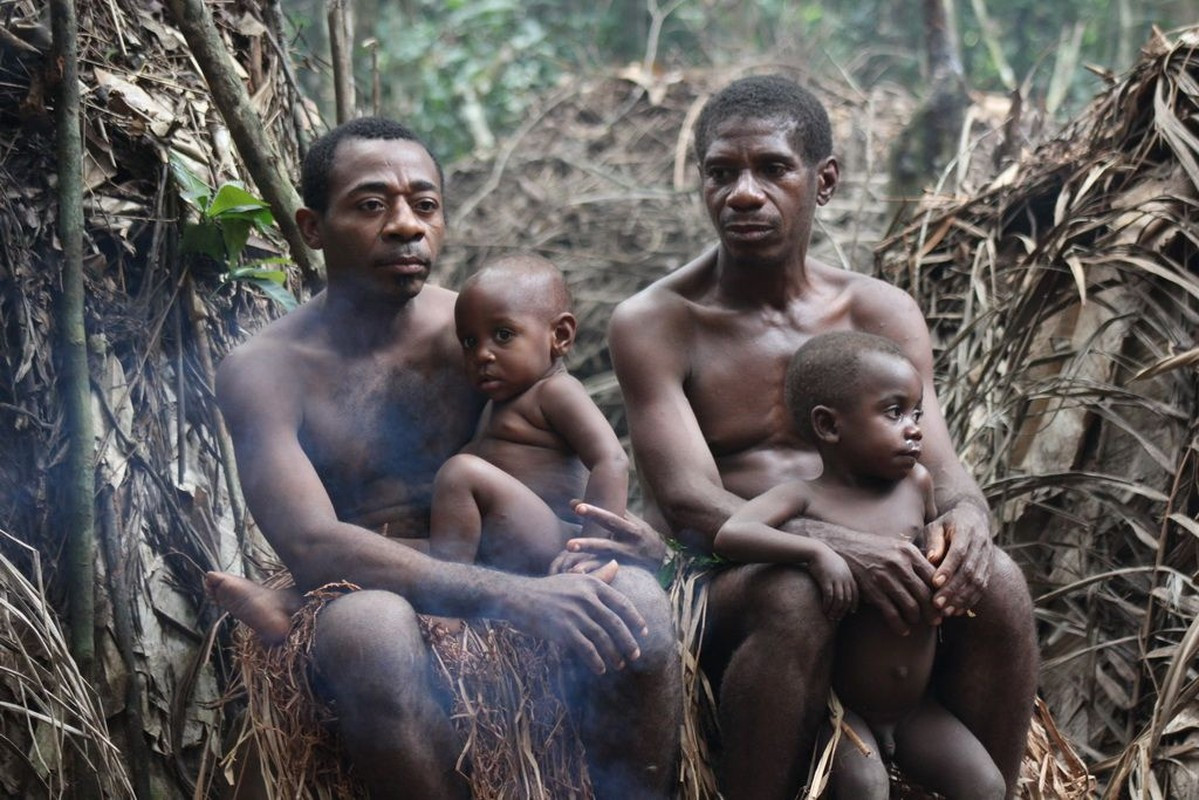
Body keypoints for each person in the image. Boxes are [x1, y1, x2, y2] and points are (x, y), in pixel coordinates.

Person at [208, 116, 680, 799]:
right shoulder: (264, 370)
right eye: (372, 205)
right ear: (312, 228)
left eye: (424, 205)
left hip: (507, 554)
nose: (405, 225)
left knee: (636, 602)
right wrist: (516, 597)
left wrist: (615, 543)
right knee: (371, 632)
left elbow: (568, 462)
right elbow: (312, 543)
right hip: (363, 581)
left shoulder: (484, 334)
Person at [608, 74, 1037, 798]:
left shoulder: (878, 313)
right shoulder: (658, 321)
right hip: (733, 578)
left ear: (823, 179)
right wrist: (832, 545)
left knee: (998, 581)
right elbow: (687, 502)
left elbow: (943, 464)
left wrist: (966, 517)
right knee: (794, 593)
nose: (743, 193)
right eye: (721, 173)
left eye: (772, 168)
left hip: (879, 578)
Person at [719, 331, 1005, 799]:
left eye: (917, 413)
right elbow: (733, 533)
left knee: (986, 785)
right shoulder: (803, 496)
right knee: (866, 789)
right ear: (830, 427)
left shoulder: (917, 484)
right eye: (894, 413)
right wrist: (816, 551)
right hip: (846, 711)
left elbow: (934, 544)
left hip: (915, 708)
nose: (914, 428)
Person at [428, 252, 629, 574]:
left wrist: (592, 548)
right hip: (507, 541)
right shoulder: (497, 403)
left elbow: (612, 461)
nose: (482, 354)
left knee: (460, 472)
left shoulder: (556, 391)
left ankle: (446, 605)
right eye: (469, 341)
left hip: (556, 539)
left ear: (560, 336)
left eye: (503, 335)